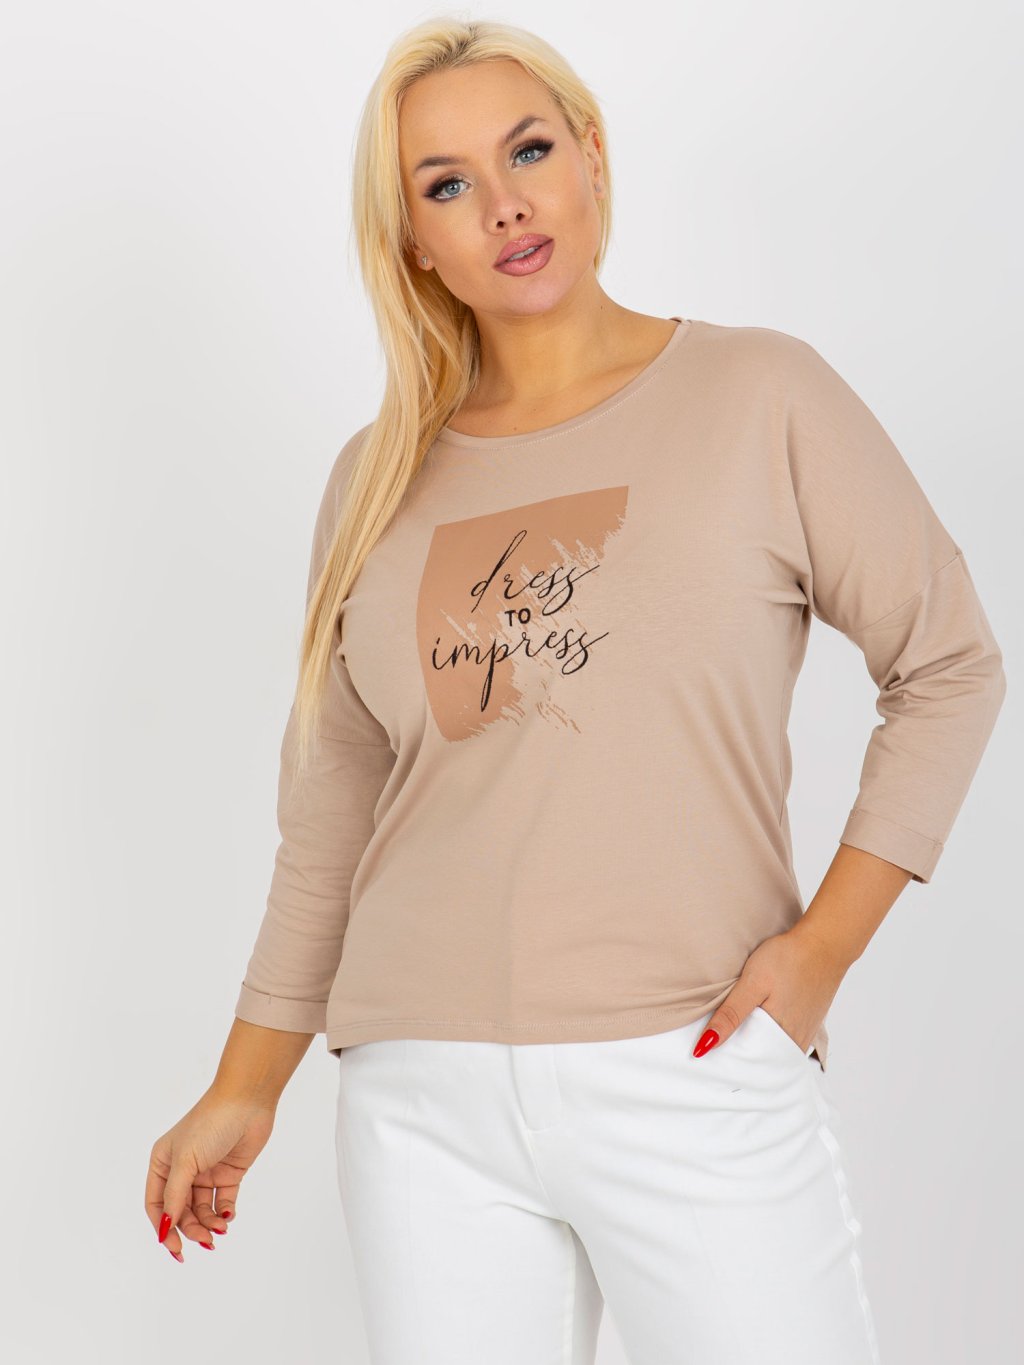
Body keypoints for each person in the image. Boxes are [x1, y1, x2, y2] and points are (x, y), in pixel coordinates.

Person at [145, 17, 1007, 1365]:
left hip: (694, 1061)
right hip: (422, 1096)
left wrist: (820, 954)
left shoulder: (759, 393)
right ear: (414, 241)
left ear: (592, 158)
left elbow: (948, 662)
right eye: (446, 184)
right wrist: (243, 1084)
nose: (504, 203)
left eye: (530, 151)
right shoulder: (374, 480)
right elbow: (330, 821)